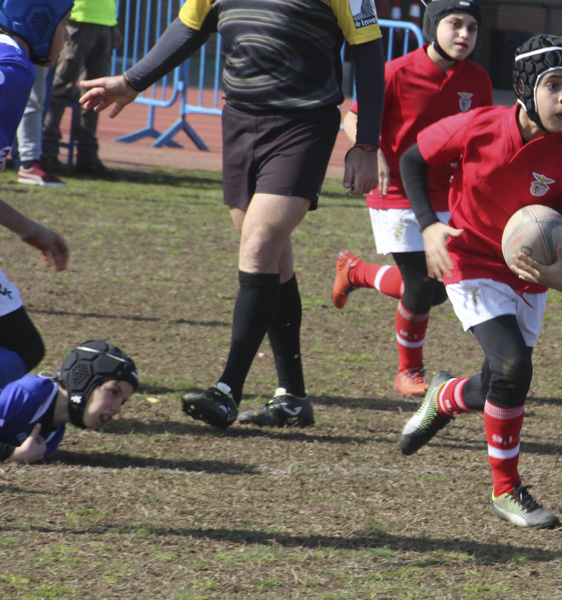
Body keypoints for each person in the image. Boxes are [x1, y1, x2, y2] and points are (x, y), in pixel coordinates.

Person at [77, 0, 387, 429]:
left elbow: (369, 52)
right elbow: (190, 27)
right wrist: (132, 81)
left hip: (303, 126)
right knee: (271, 255)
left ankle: (227, 391)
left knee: (259, 243)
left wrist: (367, 144)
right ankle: (293, 397)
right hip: (239, 121)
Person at [396, 34, 562, 528]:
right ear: (526, 87)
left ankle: (444, 396)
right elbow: (412, 159)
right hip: (471, 263)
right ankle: (506, 490)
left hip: (528, 280)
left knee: (496, 379)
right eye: (553, 86)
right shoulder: (479, 126)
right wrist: (428, 225)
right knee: (513, 368)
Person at [332, 0, 492, 396]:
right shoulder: (395, 72)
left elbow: (482, 136)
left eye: (472, 28)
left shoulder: (479, 80)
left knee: (437, 288)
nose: (464, 35)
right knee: (421, 288)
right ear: (432, 25)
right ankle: (409, 371)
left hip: (446, 197)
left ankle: (357, 272)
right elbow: (350, 117)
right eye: (455, 24)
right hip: (396, 193)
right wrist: (374, 152)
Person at [0, 0, 73, 387]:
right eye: (65, 24)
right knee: (20, 348)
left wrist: (30, 230)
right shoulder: (12, 70)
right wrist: (30, 229)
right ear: (39, 22)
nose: (67, 35)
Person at [0, 340, 137, 464]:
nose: (118, 409)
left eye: (123, 401)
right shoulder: (24, 393)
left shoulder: (52, 437)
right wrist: (11, 453)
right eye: (113, 392)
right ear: (83, 380)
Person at [40, 0, 121, 178]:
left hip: (104, 22)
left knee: (96, 92)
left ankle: (87, 157)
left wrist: (113, 23)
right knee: (60, 89)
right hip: (76, 19)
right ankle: (47, 153)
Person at [16, 66, 67, 186]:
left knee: (34, 100)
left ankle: (29, 162)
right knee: (30, 101)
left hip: (36, 51)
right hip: (26, 50)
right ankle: (28, 162)